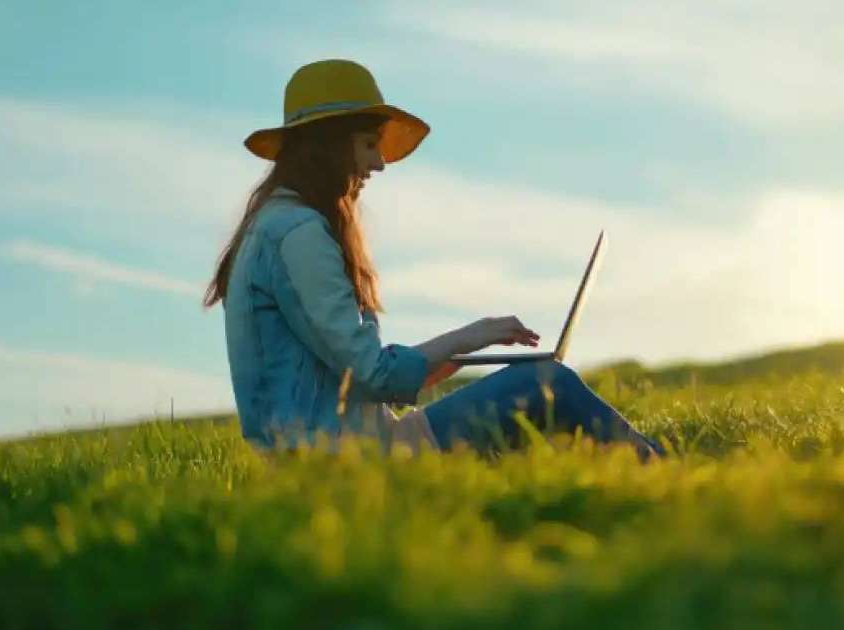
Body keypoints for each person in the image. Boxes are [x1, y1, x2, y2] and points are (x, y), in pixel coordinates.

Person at [203, 59, 664, 461]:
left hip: (330, 456)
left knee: (526, 410)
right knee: (547, 382)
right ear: (328, 147)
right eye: (368, 144)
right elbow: (377, 374)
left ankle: (630, 478)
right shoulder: (300, 234)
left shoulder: (273, 226)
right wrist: (469, 335)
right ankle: (665, 472)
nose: (379, 163)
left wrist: (457, 352)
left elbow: (357, 377)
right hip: (353, 461)